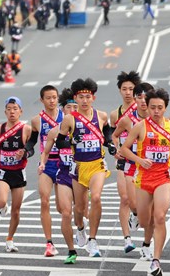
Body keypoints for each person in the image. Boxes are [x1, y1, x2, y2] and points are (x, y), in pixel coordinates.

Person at [120, 89, 170, 276]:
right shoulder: (140, 126)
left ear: (165, 107)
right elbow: (124, 149)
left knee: (160, 217)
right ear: (148, 106)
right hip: (143, 178)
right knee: (146, 220)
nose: (156, 111)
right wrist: (139, 160)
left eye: (160, 108)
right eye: (153, 107)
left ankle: (156, 260)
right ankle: (140, 222)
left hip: (162, 177)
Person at [55, 78, 115, 257]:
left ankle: (93, 240)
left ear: (93, 98)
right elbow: (59, 142)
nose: (84, 100)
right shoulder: (69, 119)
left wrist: (111, 144)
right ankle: (80, 228)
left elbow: (107, 133)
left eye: (87, 96)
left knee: (96, 197)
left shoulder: (101, 116)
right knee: (79, 208)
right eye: (81, 97)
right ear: (75, 98)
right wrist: (71, 140)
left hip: (97, 164)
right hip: (79, 166)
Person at [0, 97, 33, 253]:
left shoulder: (26, 129)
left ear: (21, 111)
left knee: (16, 210)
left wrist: (25, 154)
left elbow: (31, 149)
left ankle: (10, 239)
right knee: (1, 201)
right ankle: (2, 206)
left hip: (19, 172)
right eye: (9, 108)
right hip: (3, 171)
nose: (12, 111)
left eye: (15, 108)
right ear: (5, 111)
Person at [39, 88, 79, 263]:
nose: (73, 111)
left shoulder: (88, 127)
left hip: (82, 173)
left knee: (81, 210)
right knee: (64, 212)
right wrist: (41, 162)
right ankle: (69, 249)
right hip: (59, 170)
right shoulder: (54, 131)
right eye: (69, 108)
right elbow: (44, 150)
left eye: (75, 107)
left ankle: (82, 229)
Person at [28, 85, 64, 257]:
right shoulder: (36, 120)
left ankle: (80, 225)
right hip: (47, 164)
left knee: (62, 208)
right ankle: (49, 243)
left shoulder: (67, 117)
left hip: (65, 164)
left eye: (54, 97)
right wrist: (26, 151)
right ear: (42, 100)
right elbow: (32, 142)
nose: (51, 101)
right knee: (44, 201)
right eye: (48, 98)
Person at [109, 72, 143, 255]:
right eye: (124, 89)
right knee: (125, 198)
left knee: (141, 202)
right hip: (125, 160)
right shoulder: (116, 113)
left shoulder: (144, 110)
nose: (128, 93)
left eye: (131, 89)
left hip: (142, 161)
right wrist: (116, 149)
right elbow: (112, 136)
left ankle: (138, 219)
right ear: (120, 91)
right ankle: (127, 238)